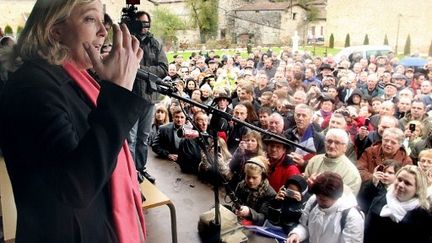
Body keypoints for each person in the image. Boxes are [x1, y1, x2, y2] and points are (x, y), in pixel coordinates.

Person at [0, 0, 148, 242]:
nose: (103, 30)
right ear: (54, 30)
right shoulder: (32, 87)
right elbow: (75, 187)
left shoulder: (70, 76)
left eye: (103, 20)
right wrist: (118, 92)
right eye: (90, 19)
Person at [127, 10, 169, 184]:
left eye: (146, 23)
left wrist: (141, 71)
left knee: (143, 138)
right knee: (130, 139)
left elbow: (164, 67)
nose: (144, 27)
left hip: (149, 97)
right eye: (140, 23)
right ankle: (129, 174)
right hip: (130, 98)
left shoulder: (155, 44)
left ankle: (140, 169)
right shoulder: (128, 41)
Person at [286, 172, 364, 243]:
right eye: (317, 197)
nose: (319, 202)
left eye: (324, 200)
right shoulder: (313, 200)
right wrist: (296, 235)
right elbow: (304, 226)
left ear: (336, 197)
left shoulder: (352, 217)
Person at [364, 165, 432, 243]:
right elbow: (367, 233)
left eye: (407, 183)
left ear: (417, 189)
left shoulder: (423, 217)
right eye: (399, 180)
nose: (400, 185)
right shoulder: (379, 201)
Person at [305, 128, 362, 195]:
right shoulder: (314, 160)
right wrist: (307, 185)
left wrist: (316, 188)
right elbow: (303, 186)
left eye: (337, 143)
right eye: (329, 141)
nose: (332, 146)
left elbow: (346, 201)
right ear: (325, 143)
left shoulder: (352, 174)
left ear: (345, 147)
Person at [234, 156, 276, 226]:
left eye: (254, 177)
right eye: (248, 176)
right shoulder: (241, 185)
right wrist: (235, 209)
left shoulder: (270, 194)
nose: (250, 181)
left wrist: (249, 213)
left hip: (255, 228)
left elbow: (264, 219)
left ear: (262, 176)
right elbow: (235, 202)